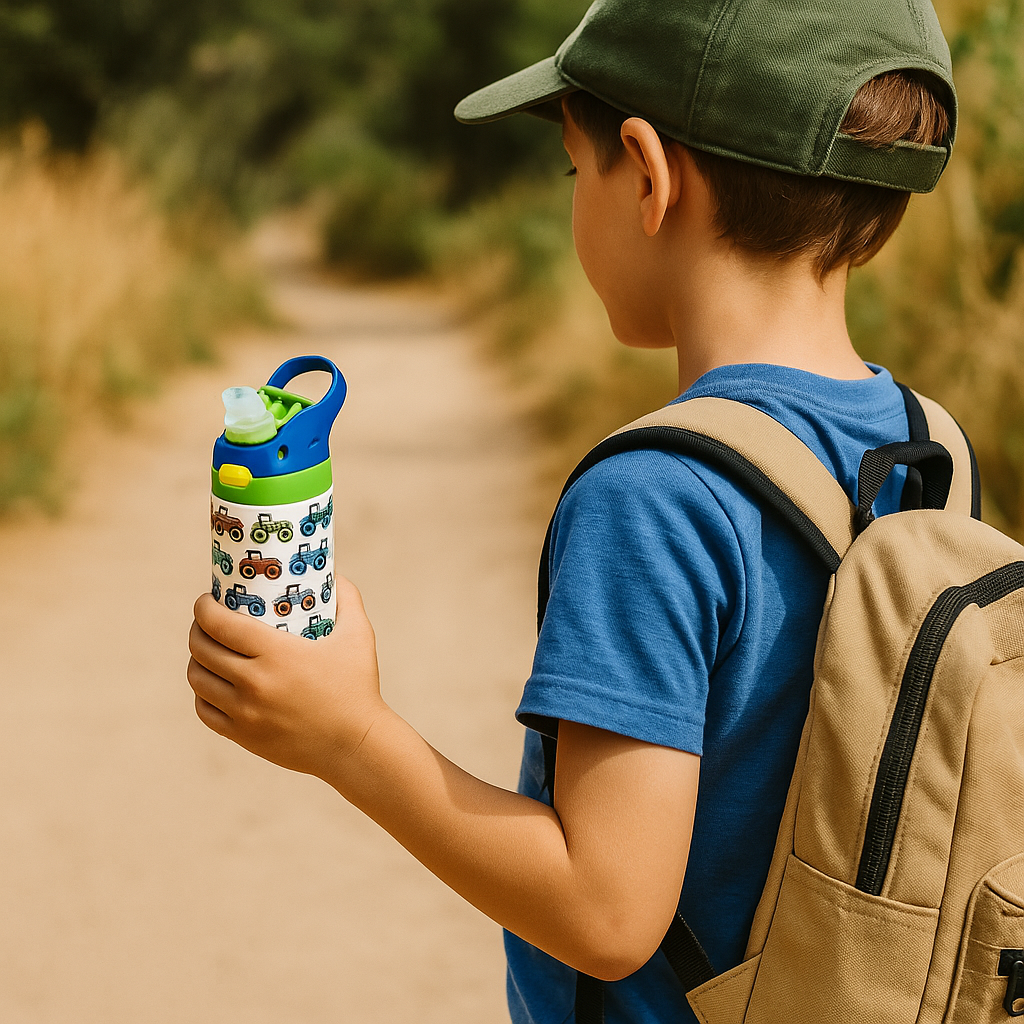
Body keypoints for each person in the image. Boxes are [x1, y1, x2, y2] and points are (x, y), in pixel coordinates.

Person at [187, 2, 959, 1021]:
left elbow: (605, 912)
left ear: (644, 173)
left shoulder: (654, 497)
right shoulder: (931, 443)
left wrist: (347, 736)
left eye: (571, 168)